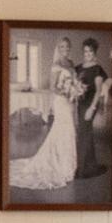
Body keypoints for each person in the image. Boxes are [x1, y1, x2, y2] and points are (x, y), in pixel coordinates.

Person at [9, 63, 82, 193]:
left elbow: (74, 82)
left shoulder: (71, 64)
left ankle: (67, 164)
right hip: (61, 101)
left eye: (67, 50)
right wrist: (66, 91)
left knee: (69, 130)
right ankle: (60, 165)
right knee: (62, 129)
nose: (65, 51)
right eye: (62, 50)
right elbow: (53, 88)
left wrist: (74, 91)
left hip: (69, 102)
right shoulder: (56, 66)